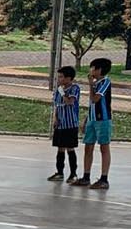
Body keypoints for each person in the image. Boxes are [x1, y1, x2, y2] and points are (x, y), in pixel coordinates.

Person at [70, 58, 113, 190]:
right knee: (88, 147)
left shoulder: (105, 82)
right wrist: (86, 119)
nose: (91, 70)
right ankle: (86, 176)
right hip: (92, 119)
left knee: (103, 148)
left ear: (99, 70)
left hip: (103, 120)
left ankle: (104, 179)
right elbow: (91, 105)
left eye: (93, 68)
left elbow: (95, 99)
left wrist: (90, 85)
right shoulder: (96, 84)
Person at [48, 65, 81, 183]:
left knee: (70, 148)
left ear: (69, 78)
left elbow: (70, 102)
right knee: (60, 148)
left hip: (70, 124)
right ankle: (59, 172)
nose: (60, 79)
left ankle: (73, 173)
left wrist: (62, 92)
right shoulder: (58, 90)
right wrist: (55, 118)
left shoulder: (74, 88)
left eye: (62, 77)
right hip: (61, 123)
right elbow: (57, 105)